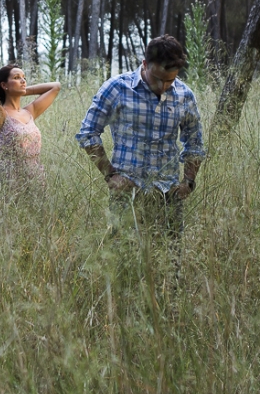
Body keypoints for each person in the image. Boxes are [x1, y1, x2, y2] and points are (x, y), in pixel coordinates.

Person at [76, 35, 206, 282]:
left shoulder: (184, 95)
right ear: (145, 64)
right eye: (158, 79)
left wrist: (188, 181)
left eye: (171, 80)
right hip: (128, 194)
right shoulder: (117, 88)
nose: (163, 87)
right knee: (123, 262)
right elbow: (88, 133)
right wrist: (110, 174)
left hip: (168, 194)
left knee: (169, 265)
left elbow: (195, 142)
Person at [0, 65, 61, 196]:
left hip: (36, 177)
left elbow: (55, 86)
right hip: (11, 180)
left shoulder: (30, 111)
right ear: (4, 85)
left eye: (24, 78)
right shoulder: (0, 114)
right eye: (17, 78)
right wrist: (6, 90)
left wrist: (22, 90)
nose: (23, 81)